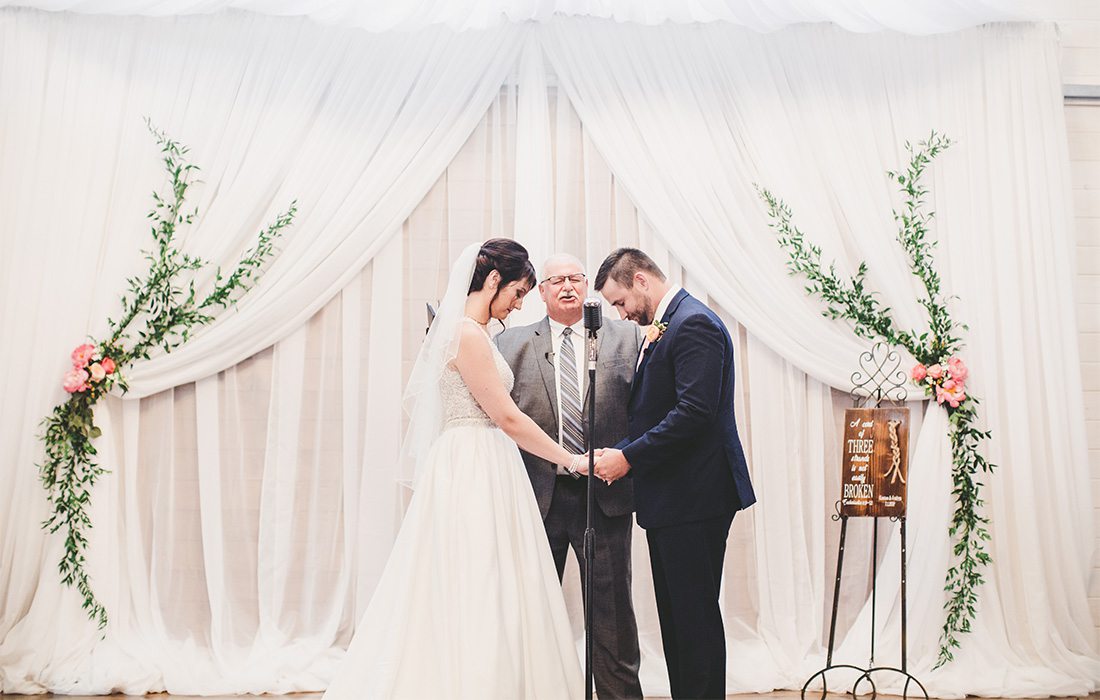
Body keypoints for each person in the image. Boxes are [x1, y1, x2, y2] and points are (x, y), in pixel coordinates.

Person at [324, 239, 584, 700]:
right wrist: (569, 459)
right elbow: (506, 416)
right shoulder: (465, 333)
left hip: (488, 460)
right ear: (492, 282)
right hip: (473, 464)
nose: (520, 303)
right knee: (476, 575)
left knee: (494, 577)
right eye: (518, 292)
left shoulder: (475, 332)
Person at [593, 248, 756, 700]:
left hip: (697, 494)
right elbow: (660, 410)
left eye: (620, 301)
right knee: (679, 616)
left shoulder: (694, 324)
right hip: (674, 495)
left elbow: (694, 413)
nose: (620, 313)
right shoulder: (671, 323)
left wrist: (628, 458)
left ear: (641, 280)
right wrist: (625, 452)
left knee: (694, 618)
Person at [496, 254, 643, 700]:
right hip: (538, 495)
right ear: (539, 291)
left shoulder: (628, 337)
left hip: (606, 494)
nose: (567, 287)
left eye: (575, 279)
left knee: (612, 615)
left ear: (588, 286)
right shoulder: (510, 344)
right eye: (556, 280)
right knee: (530, 612)